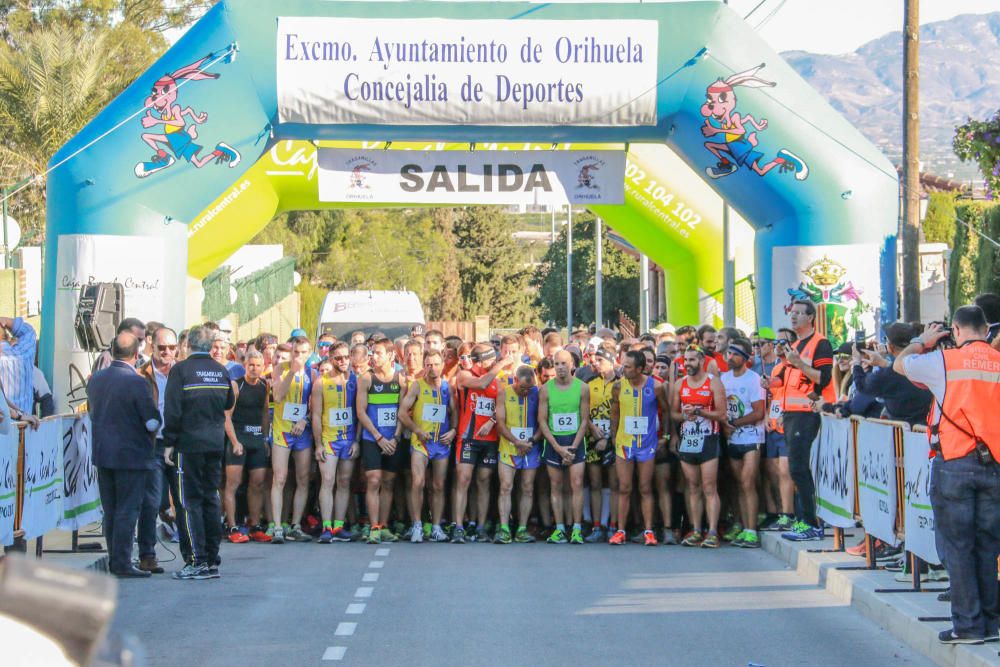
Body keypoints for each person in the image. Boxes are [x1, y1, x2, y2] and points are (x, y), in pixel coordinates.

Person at [894, 306, 1000, 645]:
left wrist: (921, 341)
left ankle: (968, 627)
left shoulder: (945, 361)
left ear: (955, 330)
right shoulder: (997, 361)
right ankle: (990, 623)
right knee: (987, 545)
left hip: (954, 461)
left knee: (958, 547)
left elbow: (899, 364)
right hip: (994, 464)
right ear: (986, 330)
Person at [163, 325, 235, 580]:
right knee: (209, 499)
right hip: (215, 444)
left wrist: (169, 442)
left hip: (188, 445)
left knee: (187, 502)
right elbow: (229, 402)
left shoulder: (180, 370)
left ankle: (197, 560)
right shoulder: (220, 370)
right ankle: (211, 558)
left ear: (188, 345)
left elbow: (172, 410)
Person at [87, 332, 161, 578]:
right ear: (136, 354)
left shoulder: (96, 379)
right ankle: (121, 563)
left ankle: (115, 559)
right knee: (128, 510)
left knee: (111, 509)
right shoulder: (137, 382)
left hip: (103, 453)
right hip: (131, 455)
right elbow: (151, 422)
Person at [778, 300, 835, 542]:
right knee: (795, 468)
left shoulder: (819, 343)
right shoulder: (796, 344)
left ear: (811, 318)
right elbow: (791, 383)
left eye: (799, 313)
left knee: (800, 468)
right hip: (792, 413)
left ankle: (811, 523)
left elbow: (822, 377)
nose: (794, 317)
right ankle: (804, 520)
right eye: (792, 313)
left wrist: (799, 363)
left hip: (808, 413)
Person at [452, 344, 513, 543]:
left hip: (489, 439)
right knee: (463, 479)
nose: (494, 362)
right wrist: (502, 364)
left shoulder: (499, 381)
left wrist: (492, 421)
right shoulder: (465, 375)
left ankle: (480, 526)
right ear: (482, 361)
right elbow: (481, 384)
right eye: (491, 359)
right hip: (468, 436)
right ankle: (459, 526)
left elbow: (501, 408)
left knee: (484, 481)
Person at [608, 350, 668, 546]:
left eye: (628, 367)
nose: (623, 369)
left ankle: (648, 531)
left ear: (640, 369)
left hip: (646, 444)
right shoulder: (618, 386)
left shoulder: (656, 386)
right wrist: (614, 436)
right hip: (625, 444)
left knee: (645, 487)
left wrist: (665, 437)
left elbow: (665, 412)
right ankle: (620, 531)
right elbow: (614, 413)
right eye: (624, 366)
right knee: (624, 487)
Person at [670, 345, 728, 548]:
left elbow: (721, 414)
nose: (687, 364)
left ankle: (712, 531)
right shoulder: (679, 384)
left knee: (709, 486)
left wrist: (700, 412)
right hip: (688, 439)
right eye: (685, 360)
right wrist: (686, 415)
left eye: (692, 360)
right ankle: (696, 530)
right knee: (693, 487)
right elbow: (674, 414)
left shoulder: (714, 383)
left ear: (702, 361)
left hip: (709, 438)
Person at [398, 349, 456, 543]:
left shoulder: (447, 388)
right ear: (424, 366)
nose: (432, 368)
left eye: (436, 364)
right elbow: (402, 413)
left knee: (438, 485)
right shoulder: (417, 386)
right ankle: (417, 525)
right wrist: (416, 430)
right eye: (429, 364)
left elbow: (455, 412)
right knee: (418, 482)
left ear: (442, 366)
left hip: (441, 443)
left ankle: (437, 526)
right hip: (421, 442)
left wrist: (454, 431)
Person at [136, 326, 178, 573]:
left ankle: (194, 554)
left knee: (183, 499)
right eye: (162, 347)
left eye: (172, 348)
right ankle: (147, 554)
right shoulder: (141, 374)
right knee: (150, 501)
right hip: (153, 443)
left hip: (177, 442)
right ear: (152, 346)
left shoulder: (182, 372)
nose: (167, 352)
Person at [538, 350, 590, 545]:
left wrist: (574, 448)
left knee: (576, 484)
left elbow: (585, 420)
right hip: (554, 442)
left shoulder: (582, 388)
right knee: (556, 486)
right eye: (557, 363)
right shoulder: (545, 389)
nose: (560, 367)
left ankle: (576, 528)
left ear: (572, 365)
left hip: (575, 441)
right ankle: (559, 528)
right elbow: (542, 421)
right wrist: (558, 448)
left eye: (563, 364)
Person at [357, 338, 405, 544]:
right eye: (372, 353)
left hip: (393, 439)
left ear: (390, 356)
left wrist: (394, 437)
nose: (373, 357)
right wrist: (378, 437)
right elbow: (360, 411)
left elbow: (403, 412)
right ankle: (374, 526)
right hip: (372, 438)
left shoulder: (400, 379)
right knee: (374, 480)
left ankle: (384, 525)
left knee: (388, 481)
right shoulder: (366, 378)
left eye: (378, 353)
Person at [720, 338, 766, 548]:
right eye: (729, 353)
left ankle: (751, 531)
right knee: (739, 484)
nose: (730, 357)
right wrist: (724, 424)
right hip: (732, 439)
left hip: (751, 437)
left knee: (748, 482)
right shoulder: (724, 378)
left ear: (745, 358)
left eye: (735, 354)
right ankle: (741, 523)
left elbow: (758, 412)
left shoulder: (753, 379)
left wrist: (734, 423)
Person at [269, 335, 314, 543]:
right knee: (279, 478)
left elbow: (316, 404)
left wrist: (305, 419)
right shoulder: (281, 369)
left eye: (304, 353)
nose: (300, 356)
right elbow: (277, 396)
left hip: (302, 431)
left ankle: (295, 524)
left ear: (310, 353)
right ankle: (278, 526)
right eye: (296, 352)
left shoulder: (312, 372)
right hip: (282, 430)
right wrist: (292, 373)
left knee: (303, 479)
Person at [223, 350, 271, 544]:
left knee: (258, 483)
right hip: (239, 439)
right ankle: (233, 526)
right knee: (232, 484)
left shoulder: (264, 385)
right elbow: (226, 416)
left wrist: (265, 438)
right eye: (251, 365)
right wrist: (234, 442)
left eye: (258, 365)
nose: (254, 369)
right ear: (245, 365)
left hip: (257, 439)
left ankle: (255, 525)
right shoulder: (236, 385)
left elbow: (265, 412)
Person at [495, 365, 542, 544]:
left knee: (528, 487)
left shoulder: (537, 393)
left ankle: (522, 528)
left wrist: (531, 441)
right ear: (515, 380)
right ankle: (504, 528)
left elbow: (543, 421)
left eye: (529, 388)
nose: (526, 392)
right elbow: (500, 423)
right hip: (509, 446)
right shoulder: (504, 393)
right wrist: (516, 441)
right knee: (506, 486)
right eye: (523, 388)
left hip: (531, 447)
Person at [852, 322, 932, 426]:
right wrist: (883, 363)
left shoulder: (887, 376)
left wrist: (857, 362)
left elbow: (862, 387)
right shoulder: (926, 366)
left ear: (890, 346)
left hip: (900, 438)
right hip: (927, 434)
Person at [761, 329, 796, 533]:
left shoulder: (795, 367)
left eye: (784, 341)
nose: (779, 345)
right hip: (773, 425)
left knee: (786, 471)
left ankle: (789, 514)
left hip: (789, 426)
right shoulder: (775, 369)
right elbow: (772, 397)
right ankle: (780, 511)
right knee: (774, 472)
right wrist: (766, 415)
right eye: (777, 341)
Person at [584, 348, 618, 543]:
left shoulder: (621, 383)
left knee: (614, 484)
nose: (595, 363)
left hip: (613, 440)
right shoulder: (589, 384)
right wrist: (591, 427)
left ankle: (612, 526)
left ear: (611, 361)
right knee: (595, 483)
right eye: (594, 360)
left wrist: (608, 438)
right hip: (592, 440)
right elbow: (583, 412)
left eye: (600, 360)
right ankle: (597, 526)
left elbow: (623, 413)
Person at [0, 315, 37, 417]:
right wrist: (6, 321)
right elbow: (29, 332)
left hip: (6, 427)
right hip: (27, 426)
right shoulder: (25, 352)